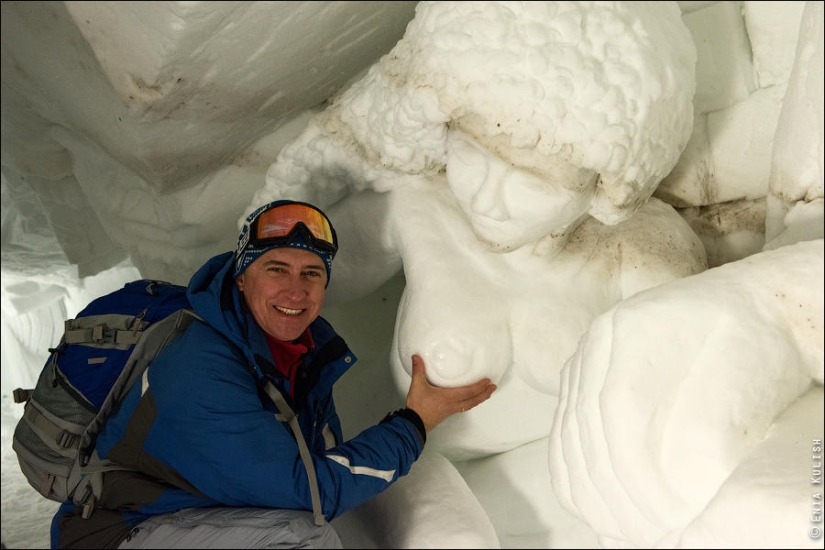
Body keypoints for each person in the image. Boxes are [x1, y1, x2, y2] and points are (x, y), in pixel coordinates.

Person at [49, 199, 497, 549]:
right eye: (276, 269)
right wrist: (415, 422)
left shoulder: (294, 352)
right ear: (242, 278)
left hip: (194, 516)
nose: (295, 289)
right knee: (298, 538)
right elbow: (309, 490)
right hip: (119, 532)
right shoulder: (198, 366)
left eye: (312, 273)